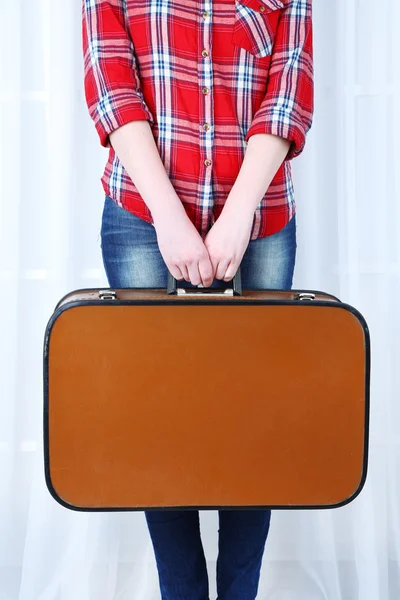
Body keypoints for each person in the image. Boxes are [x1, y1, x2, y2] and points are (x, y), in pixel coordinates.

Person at [82, 0, 313, 597]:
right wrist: (169, 217)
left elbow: (289, 85)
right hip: (142, 214)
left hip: (260, 218)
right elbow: (112, 82)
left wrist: (238, 216)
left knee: (256, 417)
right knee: (160, 417)